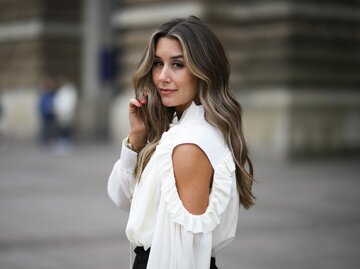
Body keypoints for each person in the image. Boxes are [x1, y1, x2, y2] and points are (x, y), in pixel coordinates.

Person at [107, 16, 255, 269]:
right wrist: (136, 139)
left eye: (177, 65)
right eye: (157, 63)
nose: (162, 76)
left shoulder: (189, 145)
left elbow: (184, 254)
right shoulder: (181, 131)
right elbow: (123, 197)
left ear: (203, 70)